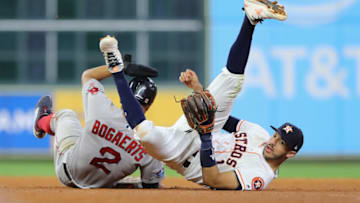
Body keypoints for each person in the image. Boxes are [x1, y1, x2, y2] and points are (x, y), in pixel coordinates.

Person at [104, 0, 304, 191]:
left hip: (183, 154)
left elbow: (213, 179)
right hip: (199, 130)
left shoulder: (259, 177)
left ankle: (116, 69)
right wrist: (199, 90)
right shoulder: (259, 134)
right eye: (276, 135)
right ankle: (251, 19)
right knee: (233, 83)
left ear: (290, 154)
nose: (272, 142)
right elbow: (221, 118)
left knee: (145, 133)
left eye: (280, 143)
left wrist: (206, 136)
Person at [32, 47, 164, 188]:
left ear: (124, 95)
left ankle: (41, 120)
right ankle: (113, 182)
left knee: (66, 115)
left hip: (67, 172)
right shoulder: (151, 141)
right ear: (149, 105)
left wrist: (120, 68)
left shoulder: (101, 107)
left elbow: (87, 76)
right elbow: (151, 184)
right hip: (101, 184)